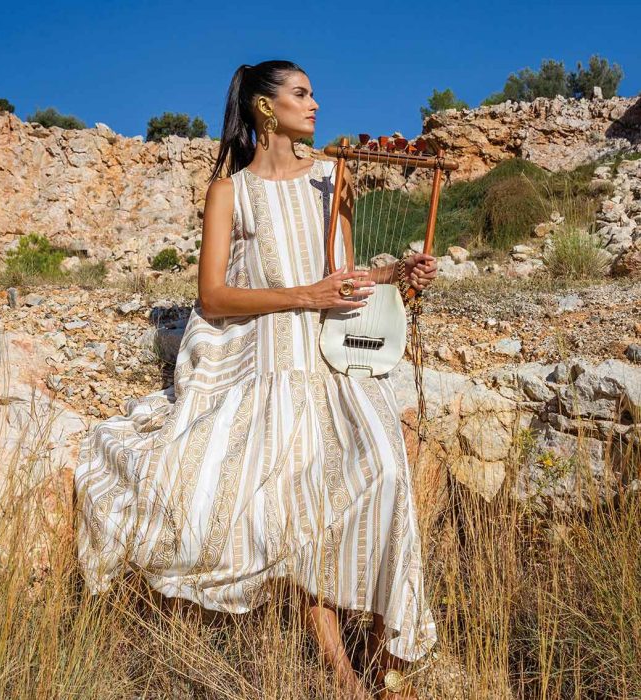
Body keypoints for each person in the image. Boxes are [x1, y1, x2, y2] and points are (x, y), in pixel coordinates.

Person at [74, 59, 439, 699]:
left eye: (314, 93)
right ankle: (344, 676)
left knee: (384, 469)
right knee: (285, 502)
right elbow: (213, 297)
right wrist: (303, 294)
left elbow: (344, 278)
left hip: (331, 355)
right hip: (261, 357)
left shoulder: (333, 179)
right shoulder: (229, 191)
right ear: (266, 107)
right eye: (301, 93)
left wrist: (397, 275)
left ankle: (387, 655)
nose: (315, 103)